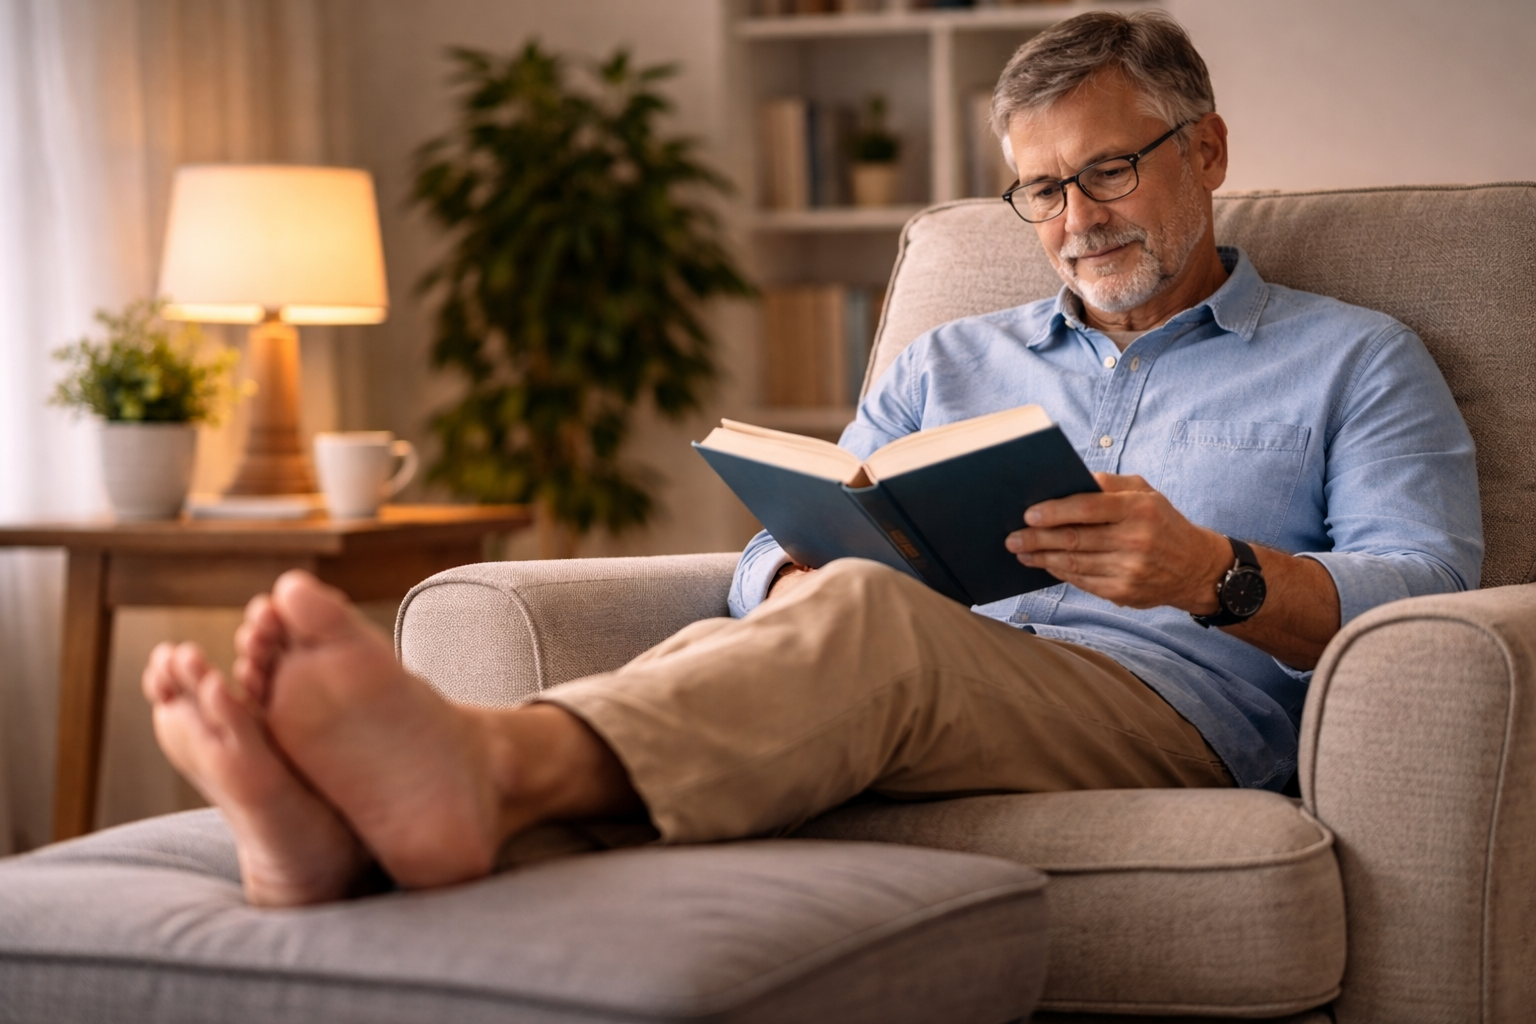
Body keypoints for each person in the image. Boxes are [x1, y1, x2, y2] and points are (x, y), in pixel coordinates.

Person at [141, 11, 1481, 907]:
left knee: (869, 627)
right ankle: (343, 843)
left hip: (1167, 714)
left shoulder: (1356, 360)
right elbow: (785, 553)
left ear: (1209, 151)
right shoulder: (951, 361)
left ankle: (477, 765)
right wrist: (784, 574)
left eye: (1113, 171)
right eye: (1042, 190)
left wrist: (1213, 575)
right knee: (838, 614)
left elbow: (1425, 591)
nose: (1077, 221)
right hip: (900, 669)